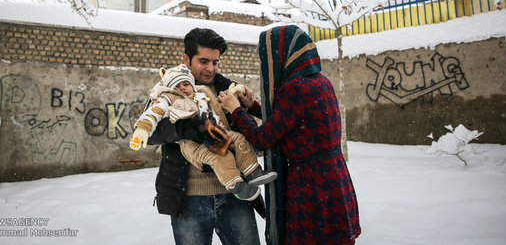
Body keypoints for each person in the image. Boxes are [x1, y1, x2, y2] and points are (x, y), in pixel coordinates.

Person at [217, 25, 361, 245]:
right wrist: (252, 106)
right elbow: (287, 121)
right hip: (332, 177)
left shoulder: (295, 88)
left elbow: (263, 138)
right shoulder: (320, 81)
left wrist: (236, 110)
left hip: (310, 184)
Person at [143, 28, 265, 245]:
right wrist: (186, 128)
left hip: (235, 194)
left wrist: (242, 109)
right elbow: (148, 132)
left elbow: (252, 139)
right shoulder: (167, 88)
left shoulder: (228, 90)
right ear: (186, 59)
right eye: (203, 61)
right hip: (188, 197)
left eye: (215, 62)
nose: (211, 68)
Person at [130, 64, 277, 201]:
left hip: (216, 132)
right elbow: (153, 113)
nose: (182, 88)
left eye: (186, 84)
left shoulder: (201, 95)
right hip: (193, 144)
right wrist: (142, 128)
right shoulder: (168, 98)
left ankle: (253, 172)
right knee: (220, 156)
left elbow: (218, 108)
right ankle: (236, 185)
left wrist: (233, 95)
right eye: (177, 86)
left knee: (238, 139)